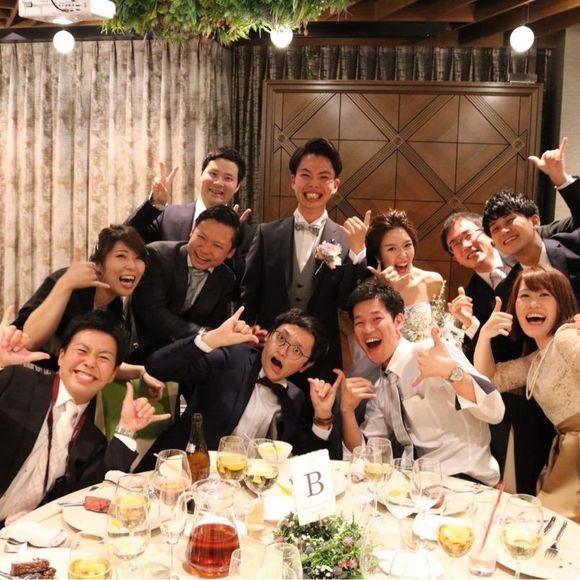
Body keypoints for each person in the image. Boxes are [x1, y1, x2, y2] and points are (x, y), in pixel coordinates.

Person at [0, 308, 170, 525]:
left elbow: (90, 493)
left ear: (112, 374)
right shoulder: (16, 382)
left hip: (22, 532)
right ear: (62, 357)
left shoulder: (91, 438)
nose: (90, 362)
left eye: (103, 358)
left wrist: (127, 428)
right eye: (82, 350)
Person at [339, 279, 504, 486]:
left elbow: (495, 411)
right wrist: (346, 411)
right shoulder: (381, 387)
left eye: (376, 319)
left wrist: (453, 373)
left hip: (466, 480)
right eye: (359, 323)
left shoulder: (431, 351)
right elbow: (367, 455)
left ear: (399, 321)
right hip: (419, 484)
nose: (368, 329)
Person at [136, 307, 340, 470]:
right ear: (268, 336)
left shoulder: (295, 397)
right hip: (179, 470)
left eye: (296, 350)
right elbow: (156, 367)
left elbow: (305, 464)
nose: (283, 351)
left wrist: (322, 418)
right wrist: (210, 339)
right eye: (281, 338)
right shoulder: (232, 358)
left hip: (239, 489)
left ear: (305, 366)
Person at [241, 137, 369, 383]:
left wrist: (358, 253)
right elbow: (250, 295)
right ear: (293, 180)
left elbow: (348, 301)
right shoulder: (266, 234)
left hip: (320, 358)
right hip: (268, 349)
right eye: (306, 175)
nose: (313, 184)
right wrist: (244, 337)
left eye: (324, 177)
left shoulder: (346, 240)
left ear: (335, 185)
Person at [473, 266, 580, 522]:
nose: (533, 304)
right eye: (525, 296)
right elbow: (489, 380)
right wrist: (485, 334)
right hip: (567, 448)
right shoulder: (537, 359)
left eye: (544, 295)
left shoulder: (566, 338)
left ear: (561, 302)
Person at [12, 225, 161, 393]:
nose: (132, 266)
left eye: (139, 258)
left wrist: (141, 371)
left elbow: (104, 365)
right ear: (98, 264)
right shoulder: (70, 282)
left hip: (69, 387)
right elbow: (28, 341)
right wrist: (65, 285)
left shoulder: (115, 307)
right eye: (121, 256)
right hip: (27, 381)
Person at [124, 148, 254, 287]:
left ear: (237, 187)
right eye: (213, 174)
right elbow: (124, 240)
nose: (218, 182)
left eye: (228, 178)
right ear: (201, 175)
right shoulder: (168, 215)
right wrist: (155, 204)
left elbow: (242, 283)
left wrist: (232, 239)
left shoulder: (246, 234)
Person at [129, 205, 240, 362]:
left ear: (230, 252)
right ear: (192, 231)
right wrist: (204, 334)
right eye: (201, 237)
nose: (205, 250)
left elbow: (214, 324)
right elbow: (152, 313)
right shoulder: (157, 255)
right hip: (140, 351)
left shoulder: (225, 278)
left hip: (186, 358)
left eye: (217, 246)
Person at [482, 190, 580, 301]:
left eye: (509, 220)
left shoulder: (575, 245)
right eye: (495, 228)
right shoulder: (506, 291)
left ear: (534, 222)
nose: (503, 231)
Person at [365, 209, 447, 342]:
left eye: (407, 245)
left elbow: (441, 330)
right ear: (378, 256)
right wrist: (384, 291)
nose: (403, 255)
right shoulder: (369, 289)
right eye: (392, 248)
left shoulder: (432, 281)